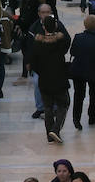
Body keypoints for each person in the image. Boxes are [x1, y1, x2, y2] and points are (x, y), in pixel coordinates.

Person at [28, 14, 70, 143]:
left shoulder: (37, 43)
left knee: (48, 107)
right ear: (55, 26)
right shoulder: (61, 41)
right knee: (64, 104)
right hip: (59, 78)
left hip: (45, 79)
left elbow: (33, 63)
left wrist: (42, 72)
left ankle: (49, 134)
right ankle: (55, 130)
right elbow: (67, 40)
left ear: (43, 27)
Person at [69, 14, 95, 130]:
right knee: (94, 95)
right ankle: (92, 117)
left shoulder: (78, 37)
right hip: (94, 72)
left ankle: (76, 119)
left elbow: (73, 52)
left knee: (78, 95)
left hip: (78, 71)